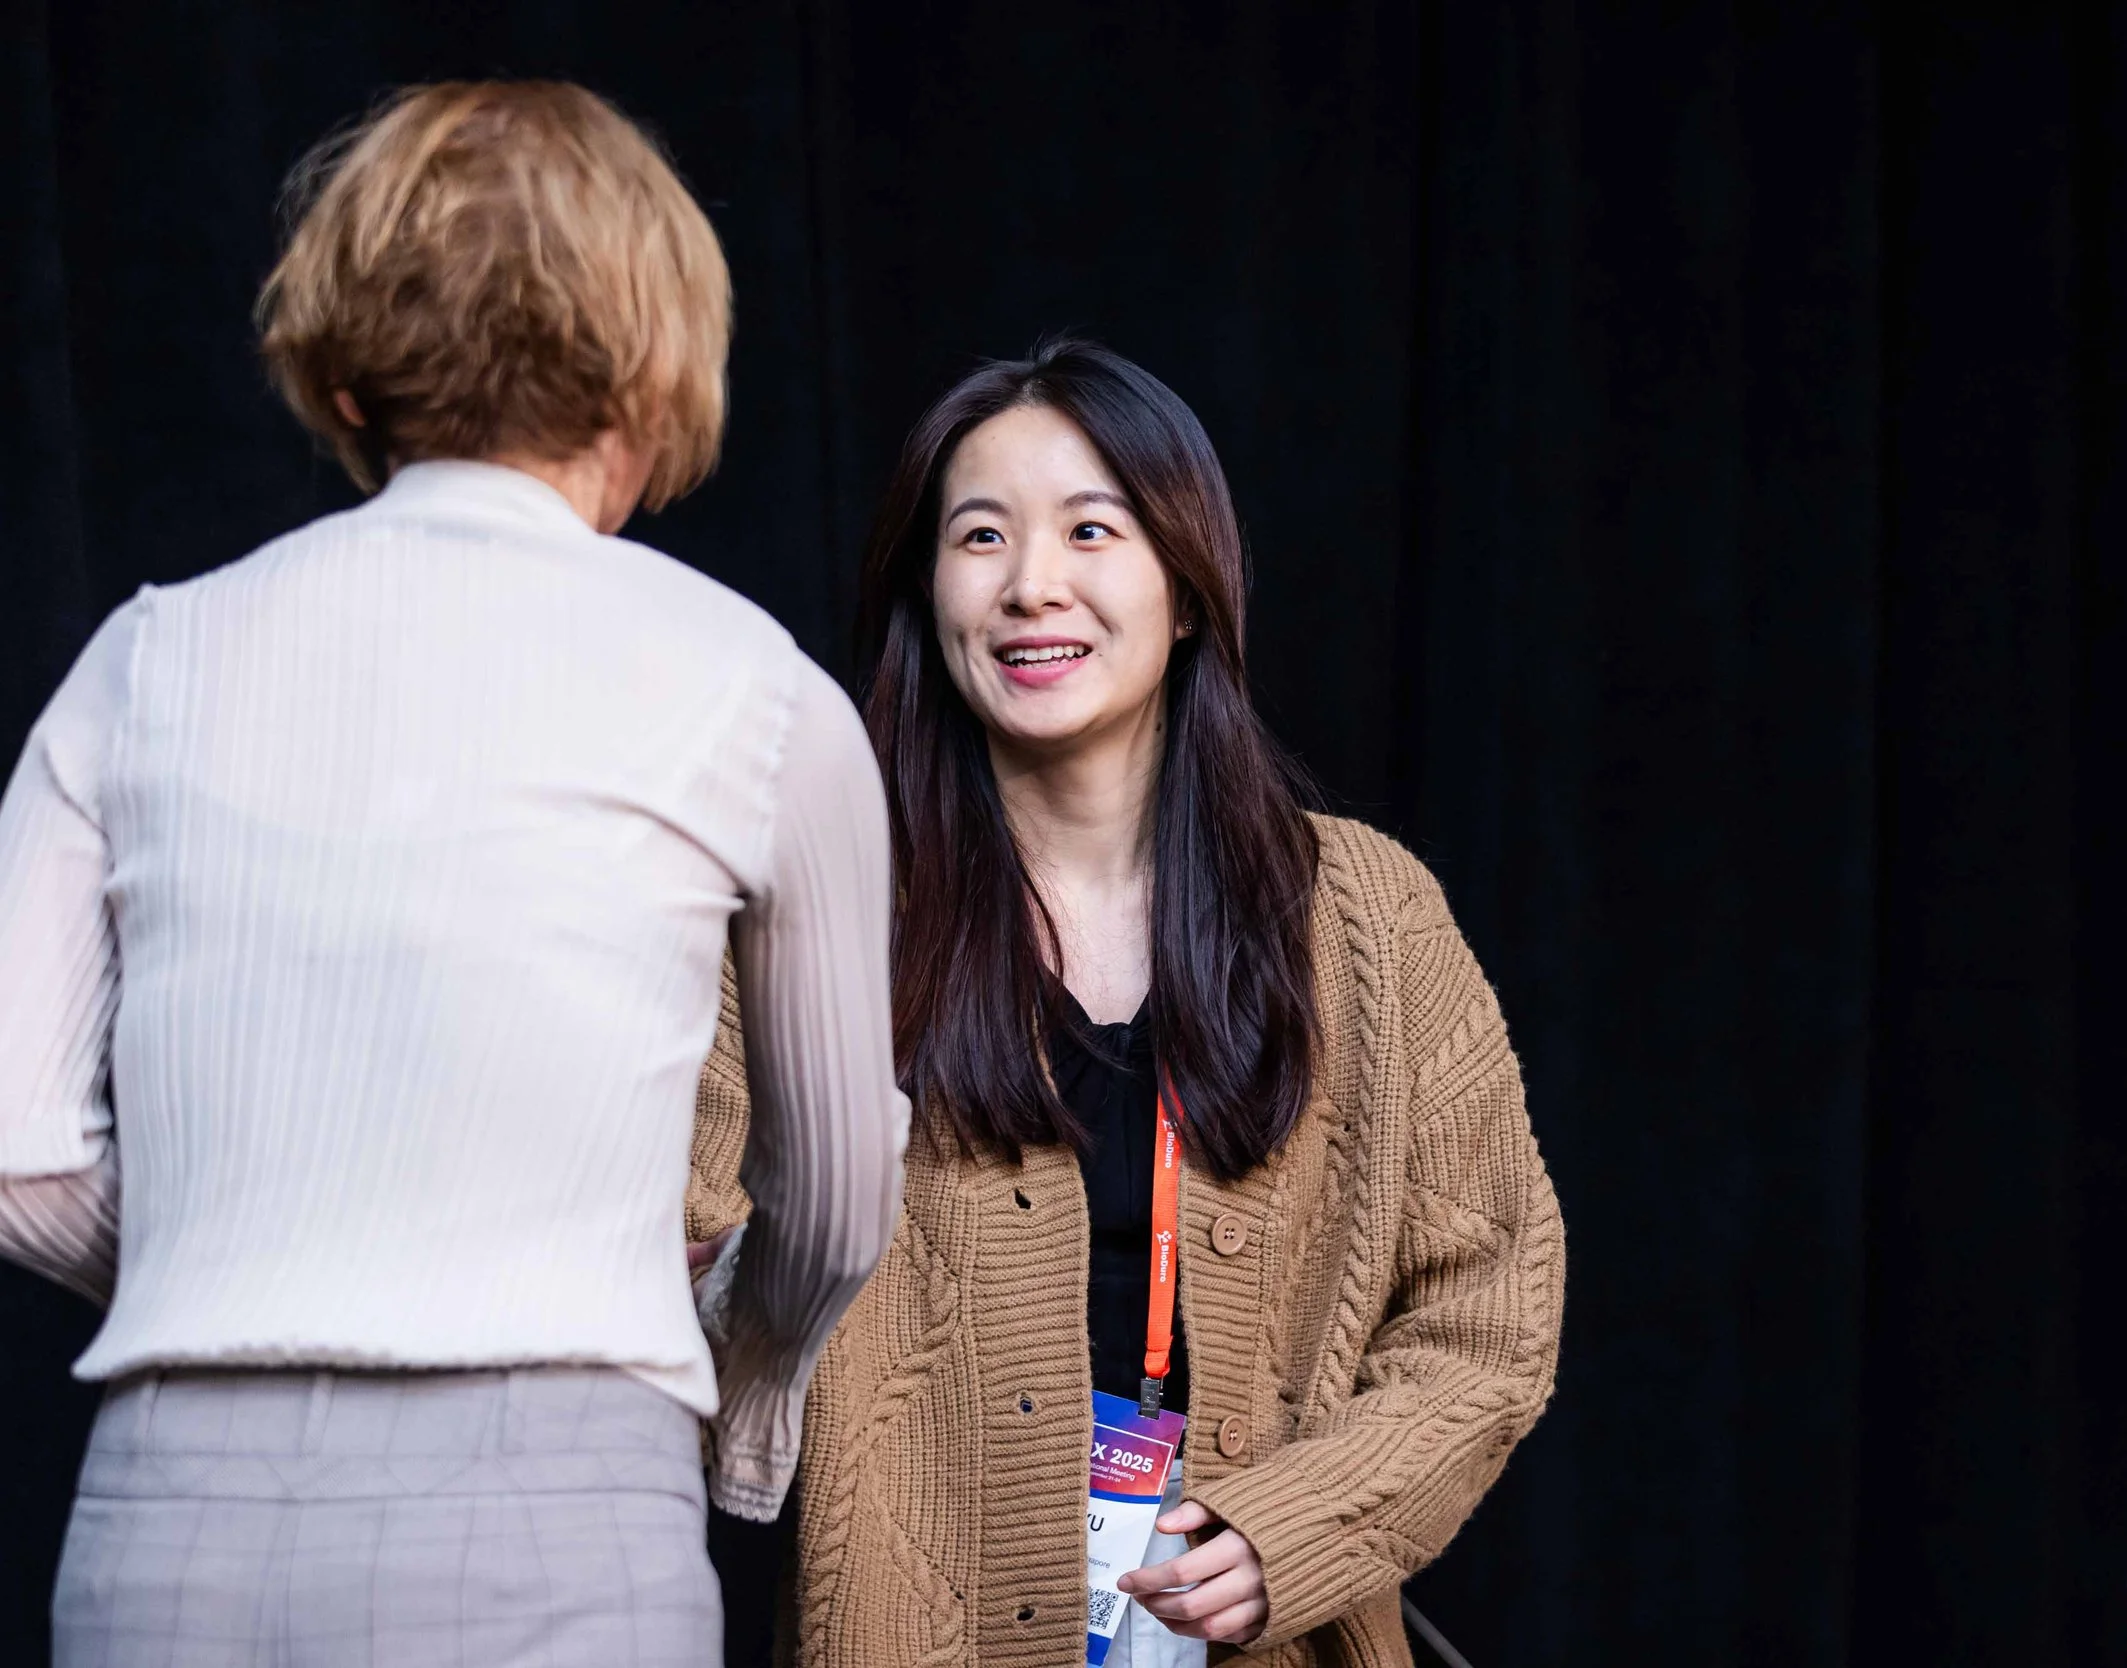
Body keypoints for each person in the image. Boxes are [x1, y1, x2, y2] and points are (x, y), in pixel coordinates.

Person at [0, 81, 908, 1666]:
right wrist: (742, 1373)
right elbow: (833, 1210)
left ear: (348, 361)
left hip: (177, 1517)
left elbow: (18, 1164)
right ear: (656, 361)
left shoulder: (141, 664)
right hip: (561, 1506)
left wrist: (240, 1278)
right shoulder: (762, 698)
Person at [684, 339, 1565, 1668]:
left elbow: (1490, 1314)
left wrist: (1297, 1532)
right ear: (929, 591)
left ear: (1189, 589)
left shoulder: (1369, 918)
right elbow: (668, 1270)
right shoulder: (811, 918)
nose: (1032, 583)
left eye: (1091, 529)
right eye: (981, 536)